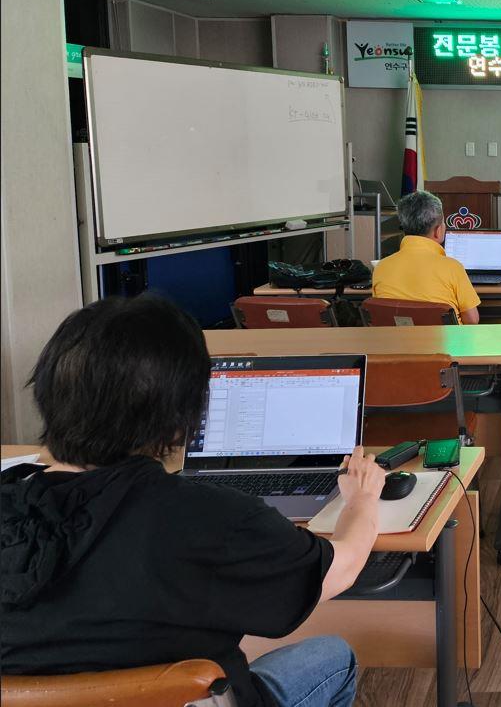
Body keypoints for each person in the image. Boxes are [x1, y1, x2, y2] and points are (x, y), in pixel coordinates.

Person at [0, 294, 386, 707]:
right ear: (184, 413)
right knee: (331, 657)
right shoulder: (211, 519)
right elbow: (337, 571)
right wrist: (362, 500)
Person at [372, 189, 480, 323]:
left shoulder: (381, 268)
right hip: (444, 343)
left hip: (397, 342)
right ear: (438, 231)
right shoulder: (452, 268)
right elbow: (472, 320)